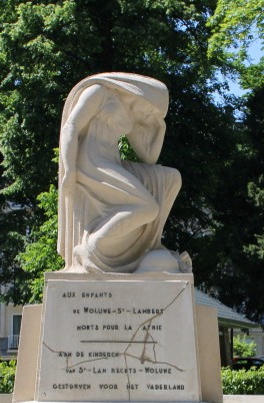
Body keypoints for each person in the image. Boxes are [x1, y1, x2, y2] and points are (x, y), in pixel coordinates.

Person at [57, 73, 189, 274]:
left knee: (171, 179)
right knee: (147, 208)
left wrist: (159, 127)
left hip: (111, 162)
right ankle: (91, 247)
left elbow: (149, 157)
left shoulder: (133, 118)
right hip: (92, 162)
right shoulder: (100, 92)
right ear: (143, 95)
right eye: (150, 110)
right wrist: (69, 168)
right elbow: (71, 126)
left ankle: (149, 244)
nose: (148, 115)